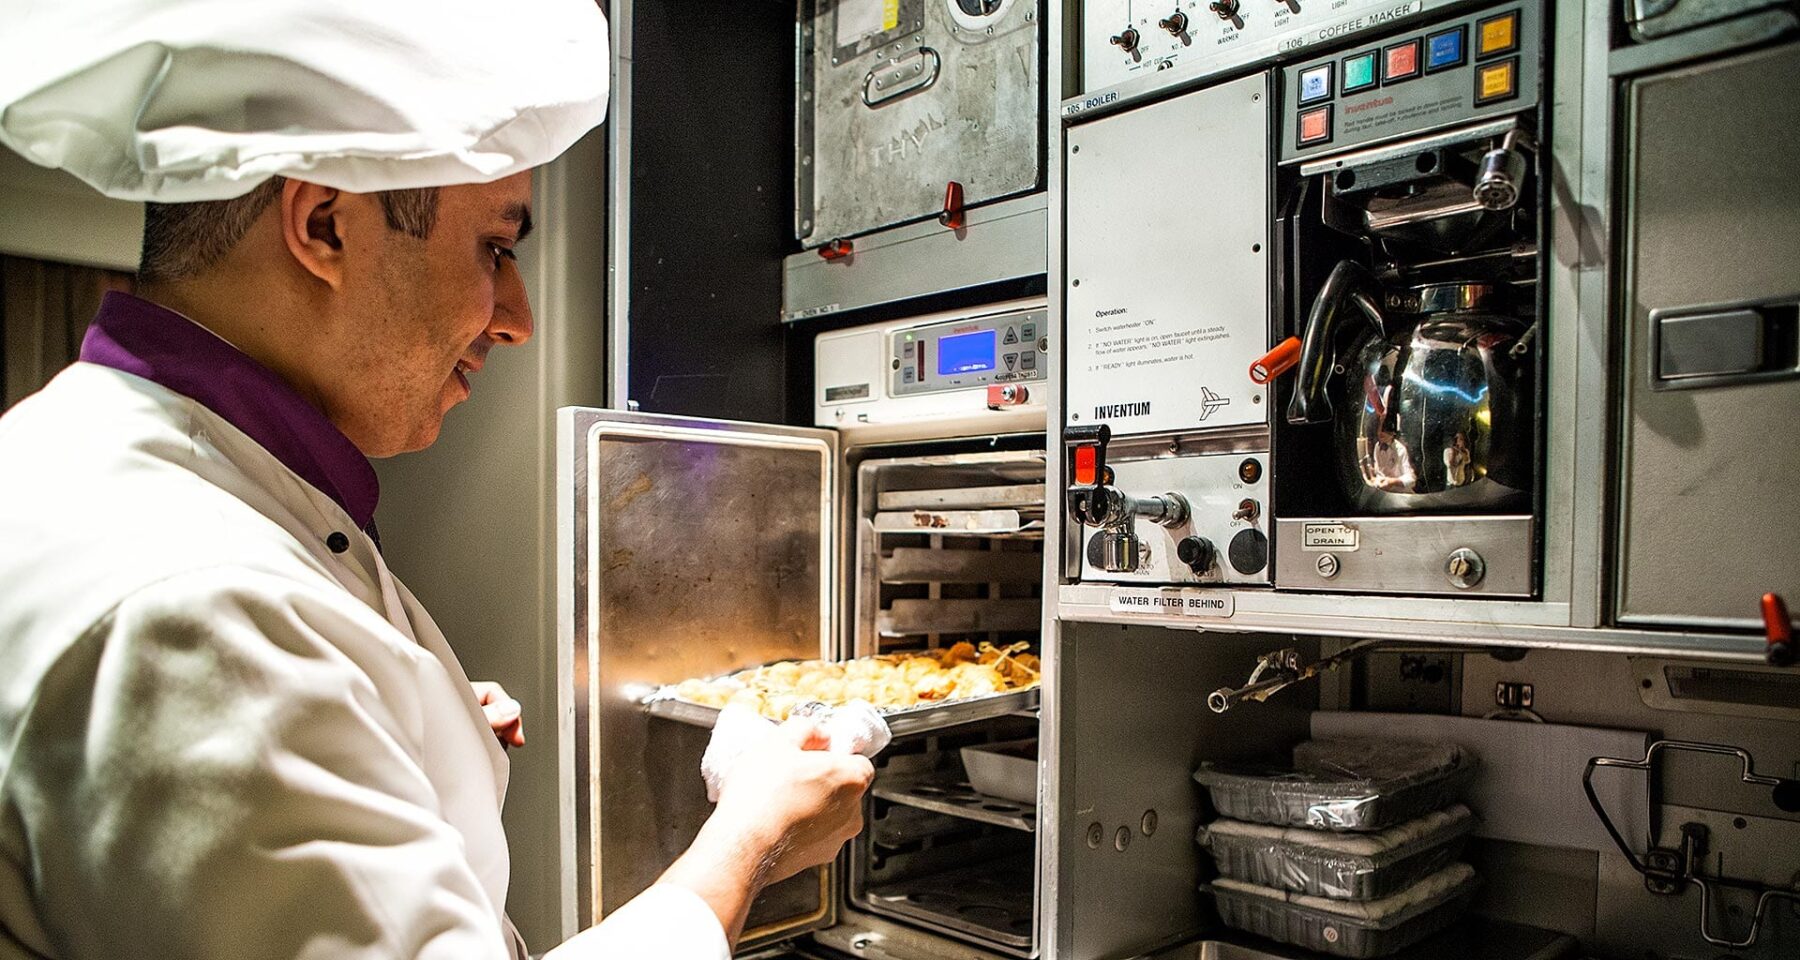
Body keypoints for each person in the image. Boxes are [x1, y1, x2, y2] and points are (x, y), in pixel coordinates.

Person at [0, 4, 873, 959]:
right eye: (495, 248)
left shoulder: (133, 468)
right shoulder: (195, 610)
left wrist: (393, 720)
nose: (518, 319)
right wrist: (751, 838)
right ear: (323, 223)